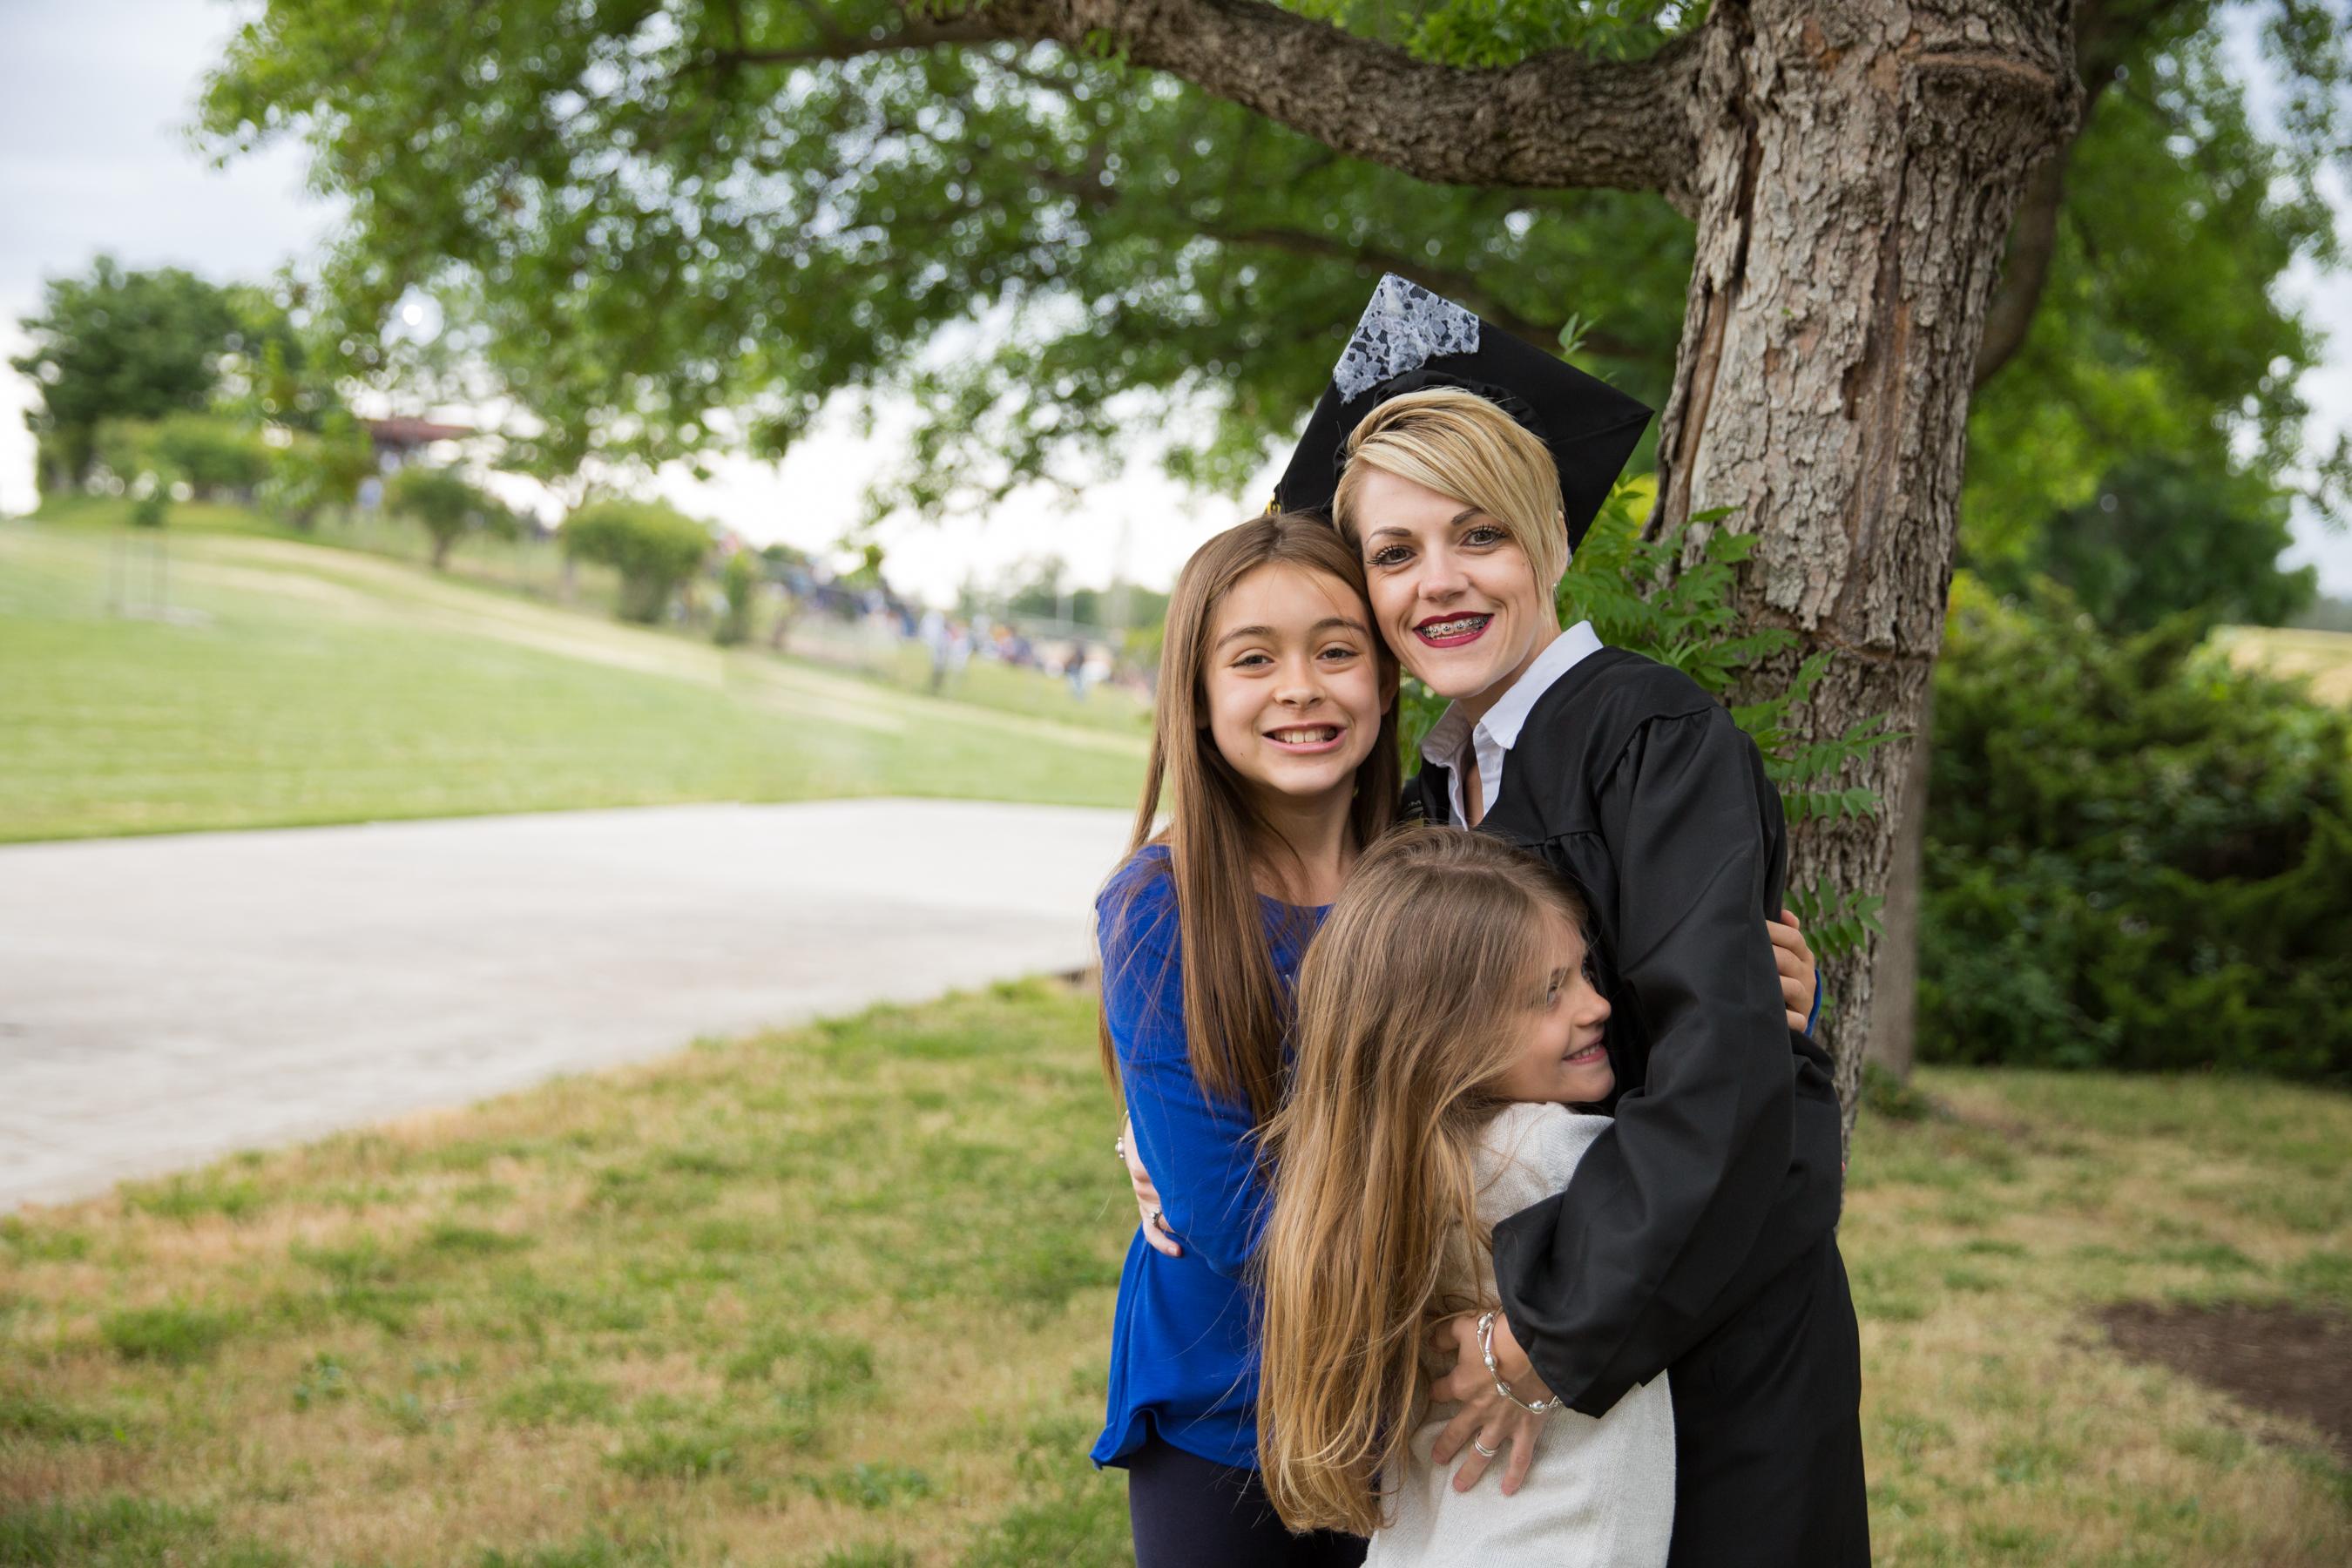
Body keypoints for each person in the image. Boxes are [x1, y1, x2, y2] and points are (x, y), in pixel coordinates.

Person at [1270, 274, 1866, 1565]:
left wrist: (1549, 1329)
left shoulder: (1649, 739)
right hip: (1520, 1369)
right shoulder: (1439, 781)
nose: (1439, 582)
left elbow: (1728, 1073)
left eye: (1477, 535)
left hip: (1699, 1343)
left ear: (1547, 535)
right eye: (1394, 553)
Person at [1092, 510, 1820, 1565]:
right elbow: (1233, 1216)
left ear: (1388, 679)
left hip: (1430, 1406)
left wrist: (1752, 994)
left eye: (1337, 651)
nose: (1300, 687)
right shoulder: (1165, 903)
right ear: (1197, 701)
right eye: (1253, 661)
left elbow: (1563, 1027)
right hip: (1240, 1393)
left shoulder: (1441, 856)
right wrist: (1500, 1320)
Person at [1258, 827, 1673, 1564]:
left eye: (1582, 971)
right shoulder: (1556, 1157)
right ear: (1445, 1037)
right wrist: (1776, 1036)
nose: (1596, 1004)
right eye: (1550, 993)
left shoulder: (1382, 1168)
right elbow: (1718, 1196)